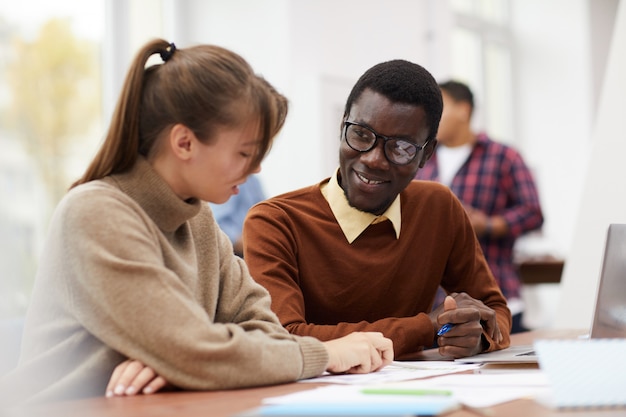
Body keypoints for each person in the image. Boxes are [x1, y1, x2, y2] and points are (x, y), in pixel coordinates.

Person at [0, 39, 393, 408]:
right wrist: (325, 353)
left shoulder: (197, 217)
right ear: (184, 143)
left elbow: (262, 329)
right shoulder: (96, 213)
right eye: (244, 153)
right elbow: (191, 349)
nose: (255, 169)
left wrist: (181, 360)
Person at [243, 60, 512, 361]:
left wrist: (476, 337)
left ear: (426, 155)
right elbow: (285, 338)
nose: (374, 159)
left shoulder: (439, 208)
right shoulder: (276, 221)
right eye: (360, 134)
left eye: (400, 148)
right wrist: (425, 327)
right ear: (342, 124)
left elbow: (494, 311)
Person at [414, 80, 544, 333]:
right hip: (435, 307)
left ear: (464, 110)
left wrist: (488, 224)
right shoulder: (422, 161)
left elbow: (533, 212)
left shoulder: (503, 156)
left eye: (439, 109)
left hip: (497, 297)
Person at [209, 174, 265, 257]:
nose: (258, 169)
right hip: (233, 252)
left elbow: (264, 216)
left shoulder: (253, 181)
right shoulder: (227, 178)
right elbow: (217, 223)